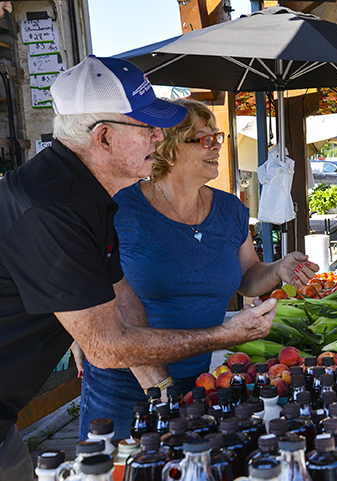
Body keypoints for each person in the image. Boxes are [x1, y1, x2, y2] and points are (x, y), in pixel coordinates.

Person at [0, 56, 304, 481]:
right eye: (146, 128)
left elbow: (121, 299)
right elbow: (106, 346)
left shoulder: (89, 196)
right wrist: (225, 335)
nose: (158, 138)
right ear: (103, 137)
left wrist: (163, 390)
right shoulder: (54, 207)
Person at [77, 98, 319, 439]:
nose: (216, 146)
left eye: (217, 137)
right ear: (168, 148)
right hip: (124, 385)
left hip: (203, 378)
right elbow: (93, 293)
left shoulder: (231, 210)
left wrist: (279, 269)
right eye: (203, 138)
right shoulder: (120, 209)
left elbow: (248, 277)